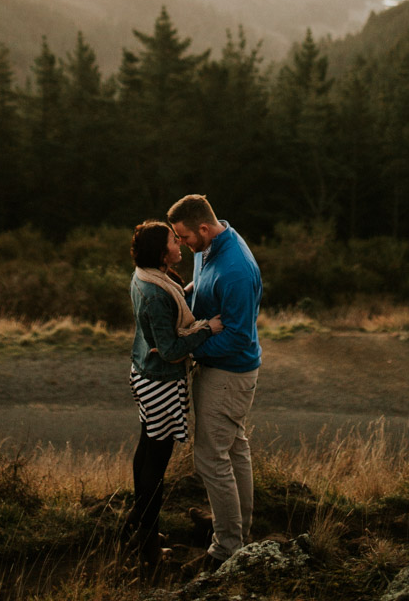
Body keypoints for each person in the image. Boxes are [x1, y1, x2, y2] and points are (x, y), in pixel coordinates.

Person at [167, 193, 263, 573]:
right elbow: (202, 286)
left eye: (185, 238)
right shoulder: (207, 247)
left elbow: (239, 336)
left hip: (230, 373)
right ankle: (239, 533)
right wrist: (180, 294)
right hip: (222, 367)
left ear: (203, 229)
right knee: (234, 448)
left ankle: (225, 549)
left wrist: (188, 351)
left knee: (211, 457)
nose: (182, 244)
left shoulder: (236, 268)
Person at [127, 220, 223, 573]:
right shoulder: (156, 292)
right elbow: (169, 350)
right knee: (156, 463)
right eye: (173, 240)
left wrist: (192, 290)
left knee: (146, 449)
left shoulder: (148, 276)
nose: (179, 243)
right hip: (162, 382)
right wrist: (205, 328)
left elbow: (169, 307)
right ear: (161, 251)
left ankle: (135, 527)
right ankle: (149, 547)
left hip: (143, 374)